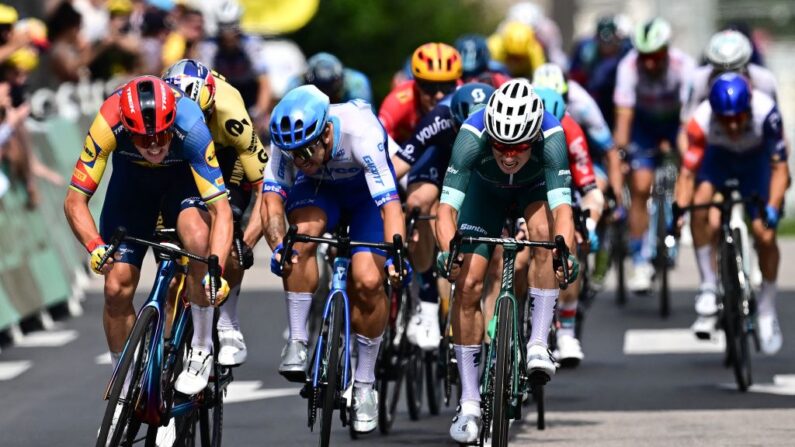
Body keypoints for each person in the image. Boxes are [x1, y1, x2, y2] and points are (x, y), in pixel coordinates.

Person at [63, 76, 233, 399]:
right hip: (132, 190)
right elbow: (74, 200)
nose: (154, 146)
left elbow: (221, 212)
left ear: (173, 125)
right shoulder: (107, 121)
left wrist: (216, 270)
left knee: (198, 239)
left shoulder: (192, 126)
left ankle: (200, 347)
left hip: (181, 185)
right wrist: (94, 246)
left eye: (162, 136)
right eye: (143, 139)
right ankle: (124, 385)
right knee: (115, 287)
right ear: (127, 129)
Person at [435, 79, 576, 443]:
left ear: (534, 137)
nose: (509, 155)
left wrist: (566, 252)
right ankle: (468, 403)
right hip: (486, 192)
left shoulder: (553, 136)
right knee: (467, 284)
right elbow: (446, 209)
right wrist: (447, 249)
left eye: (520, 147)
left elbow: (563, 211)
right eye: (500, 146)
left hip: (531, 191)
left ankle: (538, 344)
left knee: (547, 236)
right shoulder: (471, 135)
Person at [261, 85, 407, 434]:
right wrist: (279, 245)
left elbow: (389, 206)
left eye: (308, 150)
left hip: (364, 198)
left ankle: (365, 383)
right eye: (294, 154)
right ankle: (297, 339)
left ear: (327, 132)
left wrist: (394, 256)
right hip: (318, 192)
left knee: (369, 282)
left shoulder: (362, 131)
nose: (301, 161)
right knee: (298, 244)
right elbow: (271, 201)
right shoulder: (287, 141)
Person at [163, 59, 269, 366]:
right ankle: (167, 353)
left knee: (229, 231)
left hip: (226, 157)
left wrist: (246, 243)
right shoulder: (165, 104)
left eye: (203, 116)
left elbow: (265, 190)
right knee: (170, 265)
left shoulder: (231, 112)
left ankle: (228, 324)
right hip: (180, 153)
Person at [673, 73, 788, 354]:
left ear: (749, 107)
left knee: (764, 234)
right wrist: (678, 212)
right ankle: (709, 286)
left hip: (756, 165)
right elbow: (687, 174)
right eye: (726, 119)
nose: (734, 124)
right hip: (719, 160)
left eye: (739, 116)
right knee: (701, 204)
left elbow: (780, 170)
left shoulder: (766, 113)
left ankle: (766, 309)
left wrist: (772, 207)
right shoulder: (701, 121)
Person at [391, 82, 495, 351]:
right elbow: (400, 165)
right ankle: (426, 300)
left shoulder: (500, 125)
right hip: (441, 162)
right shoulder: (438, 117)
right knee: (417, 202)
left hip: (480, 168)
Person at [613, 17, 695, 292]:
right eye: (644, 56)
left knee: (689, 164)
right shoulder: (628, 67)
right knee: (639, 186)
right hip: (643, 127)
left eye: (655, 56)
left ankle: (679, 215)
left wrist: (686, 158)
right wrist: (621, 154)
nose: (649, 63)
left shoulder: (683, 67)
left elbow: (688, 123)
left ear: (666, 51)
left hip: (675, 124)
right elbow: (624, 117)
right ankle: (639, 260)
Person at [198, 0, 271, 124]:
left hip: (248, 91)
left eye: (231, 26)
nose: (228, 34)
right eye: (223, 27)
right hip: (223, 91)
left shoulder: (251, 43)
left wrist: (259, 112)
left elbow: (264, 83)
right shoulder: (208, 46)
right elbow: (202, 81)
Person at [681, 29, 778, 122]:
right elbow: (688, 123)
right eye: (720, 71)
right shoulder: (698, 81)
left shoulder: (765, 81)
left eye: (734, 70)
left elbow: (775, 123)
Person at [379, 42, 462, 145]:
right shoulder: (398, 101)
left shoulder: (462, 94)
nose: (439, 95)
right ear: (417, 84)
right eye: (430, 87)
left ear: (455, 84)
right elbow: (376, 139)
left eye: (446, 87)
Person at [568, 15, 633, 130]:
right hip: (593, 100)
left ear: (617, 37)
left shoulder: (626, 51)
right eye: (602, 41)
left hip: (617, 100)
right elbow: (574, 78)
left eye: (610, 42)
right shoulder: (585, 50)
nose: (606, 46)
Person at [286, 52, 372, 104]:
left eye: (328, 88)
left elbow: (363, 120)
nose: (326, 95)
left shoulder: (357, 83)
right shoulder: (296, 85)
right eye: (320, 88)